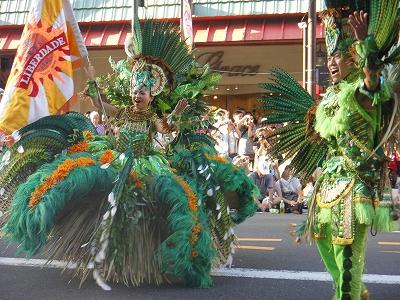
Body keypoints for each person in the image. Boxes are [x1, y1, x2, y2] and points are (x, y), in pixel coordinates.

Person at [0, 19, 258, 290]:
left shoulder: (153, 116)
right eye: (135, 90)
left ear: (152, 95)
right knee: (81, 178)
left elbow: (166, 126)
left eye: (143, 91)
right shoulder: (123, 112)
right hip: (115, 157)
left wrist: (176, 114)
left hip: (146, 164)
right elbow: (106, 107)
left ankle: (160, 255)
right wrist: (93, 90)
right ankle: (98, 245)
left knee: (155, 199)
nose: (137, 94)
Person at [260, 2, 400, 299]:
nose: (331, 62)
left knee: (348, 255)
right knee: (327, 248)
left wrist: (366, 44)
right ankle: (351, 291)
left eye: (338, 56)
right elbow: (319, 136)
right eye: (329, 56)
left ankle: (347, 295)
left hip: (353, 186)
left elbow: (373, 83)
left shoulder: (361, 94)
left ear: (354, 58)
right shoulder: (330, 98)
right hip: (326, 187)